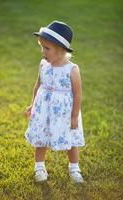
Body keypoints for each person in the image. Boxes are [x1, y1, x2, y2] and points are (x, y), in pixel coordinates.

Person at [24, 21, 85, 183]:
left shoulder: (72, 69)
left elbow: (78, 94)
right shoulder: (43, 65)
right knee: (41, 138)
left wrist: (74, 117)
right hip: (43, 110)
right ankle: (39, 166)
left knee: (70, 141)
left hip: (64, 113)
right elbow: (38, 85)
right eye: (41, 47)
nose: (42, 51)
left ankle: (74, 168)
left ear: (61, 50)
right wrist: (32, 105)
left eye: (47, 48)